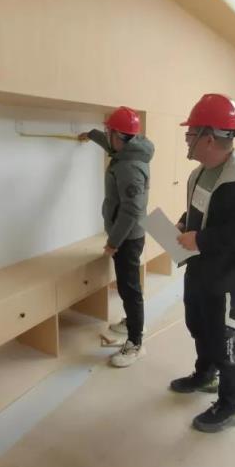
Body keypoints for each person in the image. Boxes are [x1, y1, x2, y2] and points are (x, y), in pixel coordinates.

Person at [171, 94, 235, 432]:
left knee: (225, 338)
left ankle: (229, 405)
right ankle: (205, 374)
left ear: (208, 138)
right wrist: (185, 224)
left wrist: (200, 240)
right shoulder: (202, 173)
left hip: (228, 276)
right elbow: (200, 210)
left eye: (190, 133)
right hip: (200, 269)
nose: (187, 140)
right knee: (198, 323)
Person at [78, 106, 154, 367]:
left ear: (119, 136)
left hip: (127, 238)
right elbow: (109, 144)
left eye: (109, 131)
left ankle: (135, 343)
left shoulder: (129, 167)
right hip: (128, 234)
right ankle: (132, 323)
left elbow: (131, 210)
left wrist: (113, 242)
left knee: (129, 289)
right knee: (127, 285)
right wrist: (91, 134)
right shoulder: (129, 148)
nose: (107, 135)